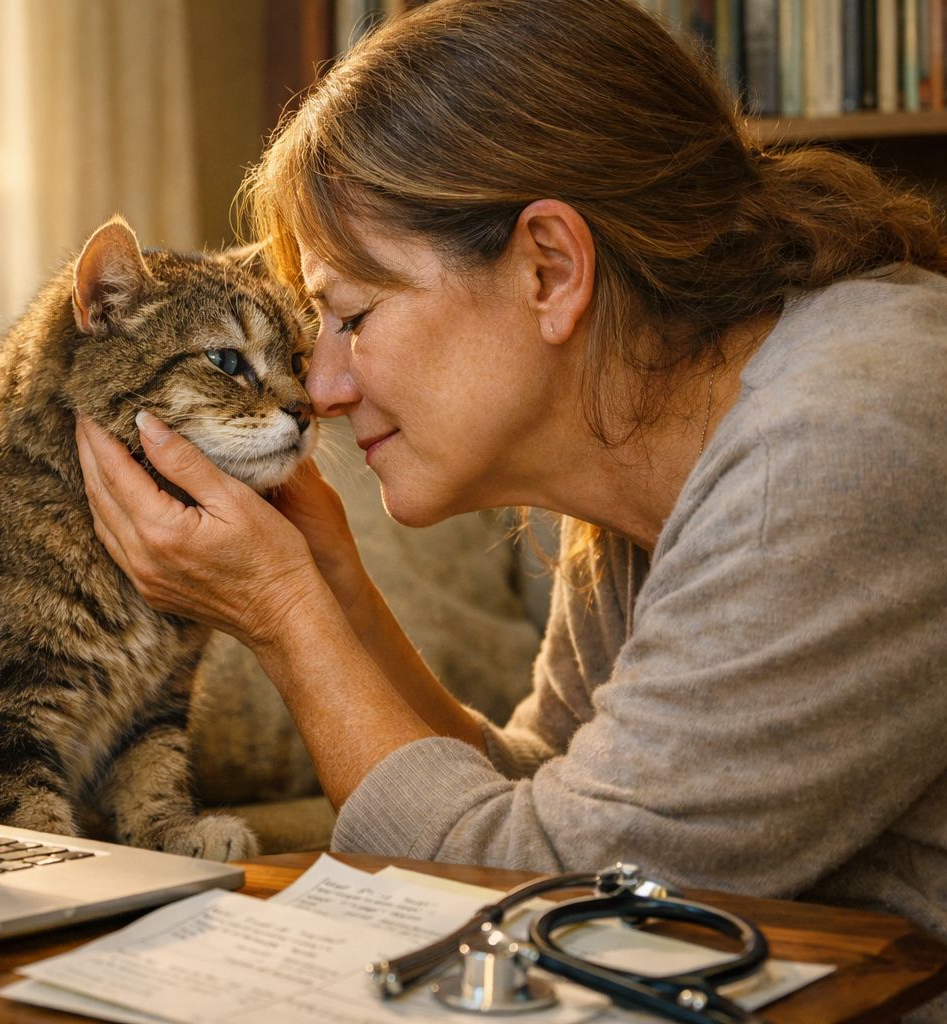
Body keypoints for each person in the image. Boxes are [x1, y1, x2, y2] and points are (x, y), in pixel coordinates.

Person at [73, 0, 947, 1001]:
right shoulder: (646, 440)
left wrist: (286, 616)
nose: (322, 388)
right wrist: (339, 590)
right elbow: (553, 784)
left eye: (353, 315)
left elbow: (544, 895)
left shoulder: (841, 446)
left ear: (550, 268)